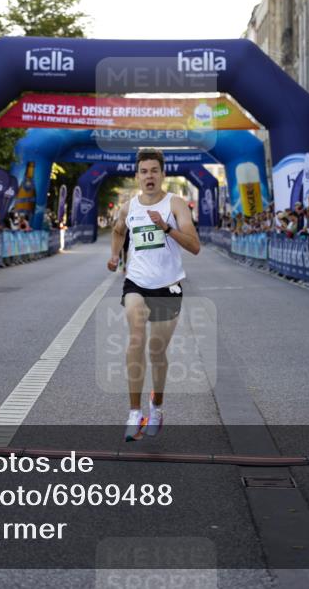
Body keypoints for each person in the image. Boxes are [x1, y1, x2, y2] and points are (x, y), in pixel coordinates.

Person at [108, 148, 200, 442]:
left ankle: (156, 407)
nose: (149, 176)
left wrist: (167, 228)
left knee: (157, 352)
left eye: (154, 171)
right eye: (144, 171)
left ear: (163, 174)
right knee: (136, 338)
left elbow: (195, 246)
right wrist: (114, 256)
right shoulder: (128, 207)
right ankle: (134, 412)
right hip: (136, 282)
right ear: (137, 176)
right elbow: (118, 231)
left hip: (168, 285)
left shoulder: (175, 205)